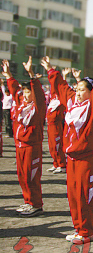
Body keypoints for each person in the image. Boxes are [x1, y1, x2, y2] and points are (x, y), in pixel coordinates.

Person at [42, 56, 93, 244]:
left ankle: (87, 231)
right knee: (73, 196)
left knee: (85, 196)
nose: (78, 92)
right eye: (78, 89)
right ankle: (78, 228)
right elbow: (61, 87)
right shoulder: (73, 103)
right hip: (72, 159)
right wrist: (51, 70)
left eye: (83, 90)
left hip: (88, 158)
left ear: (91, 92)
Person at [2, 57, 46, 217]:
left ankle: (36, 204)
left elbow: (39, 94)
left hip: (32, 147)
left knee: (31, 176)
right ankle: (28, 201)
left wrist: (31, 74)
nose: (26, 95)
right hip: (20, 146)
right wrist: (8, 75)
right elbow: (14, 90)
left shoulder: (38, 107)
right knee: (22, 176)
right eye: (25, 92)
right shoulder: (21, 104)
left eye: (29, 92)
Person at [46, 89, 66, 174]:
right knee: (51, 146)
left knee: (57, 145)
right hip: (50, 126)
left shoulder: (60, 103)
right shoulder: (52, 103)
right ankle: (55, 163)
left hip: (56, 126)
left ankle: (62, 164)